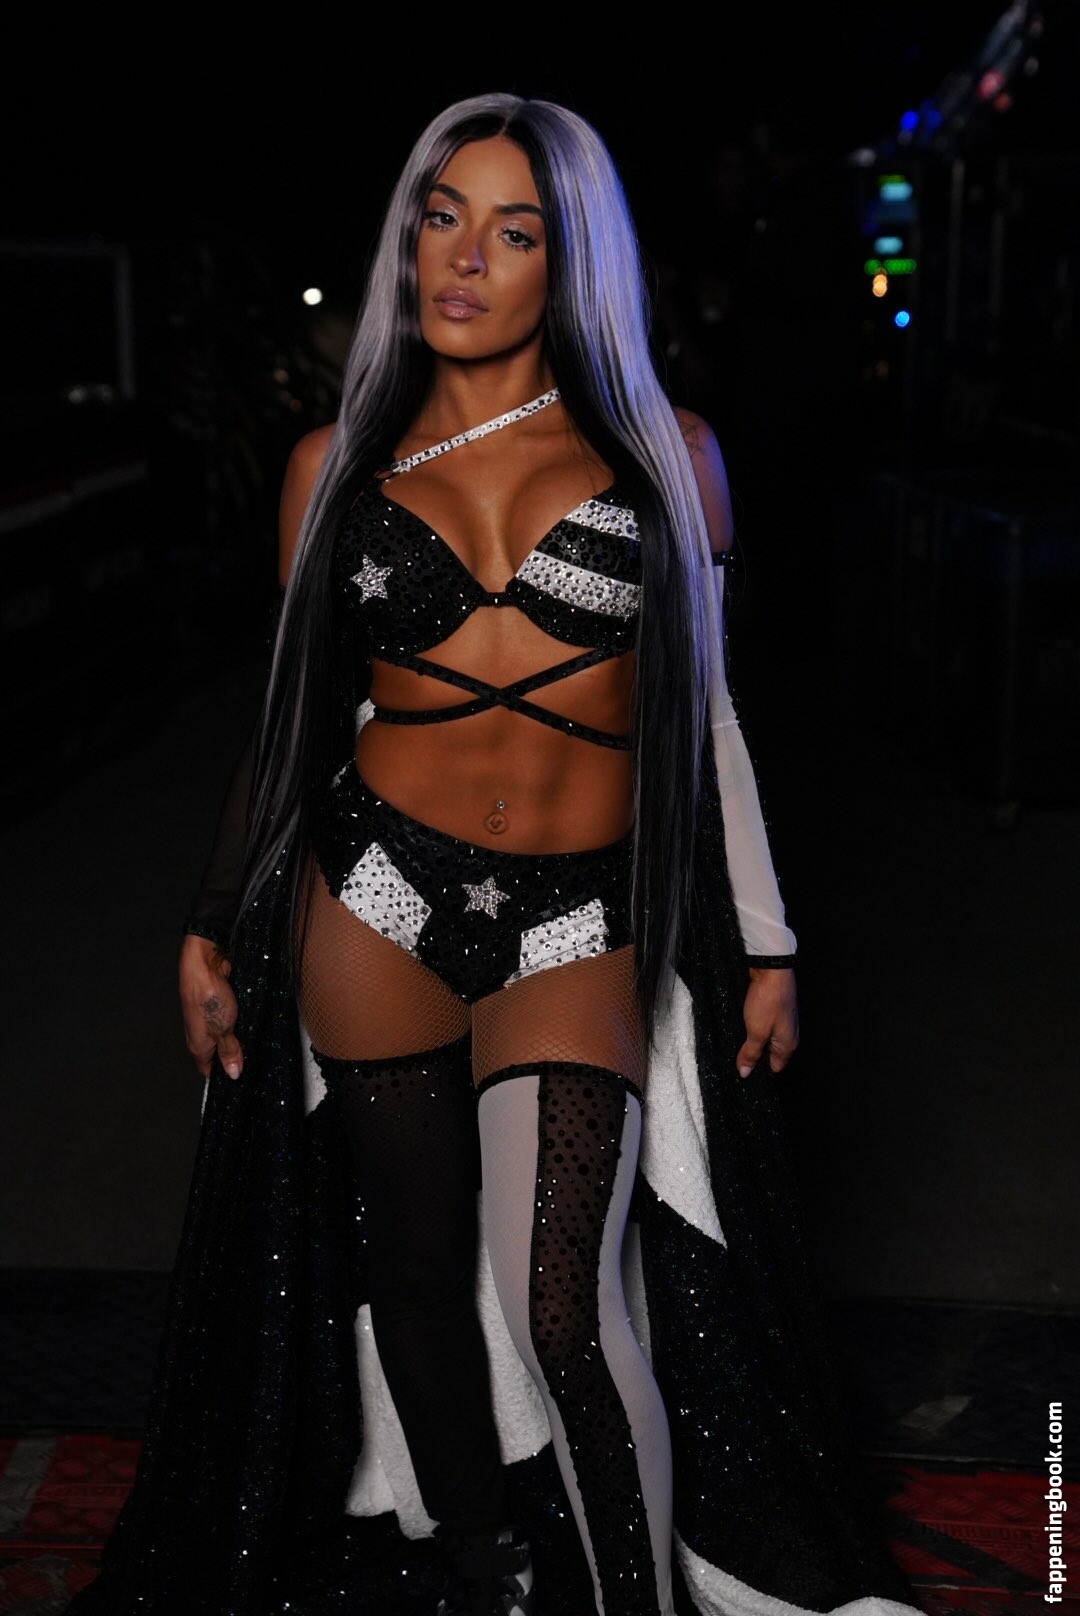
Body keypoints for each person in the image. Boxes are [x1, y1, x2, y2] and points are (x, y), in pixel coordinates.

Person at [69, 94, 921, 1616]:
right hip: (373, 896)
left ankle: (627, 1597)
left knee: (563, 1308)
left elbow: (709, 724)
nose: (463, 259)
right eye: (439, 219)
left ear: (571, 260)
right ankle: (480, 1564)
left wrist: (767, 939)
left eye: (512, 231)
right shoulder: (333, 464)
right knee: (409, 1270)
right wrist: (211, 921)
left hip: (575, 920)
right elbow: (292, 719)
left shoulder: (669, 457)